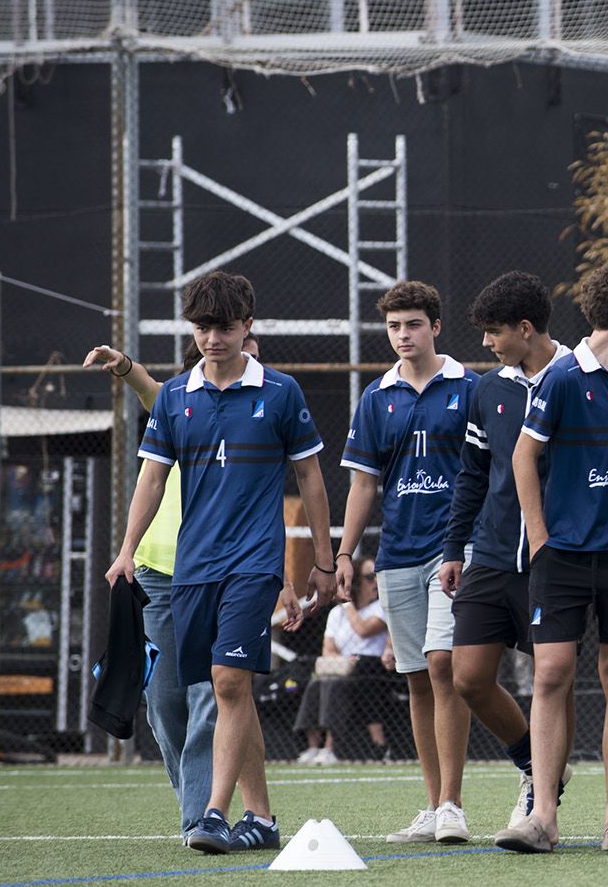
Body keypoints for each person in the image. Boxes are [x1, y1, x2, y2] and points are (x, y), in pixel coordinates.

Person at [105, 270, 336, 855]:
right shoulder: (177, 398)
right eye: (204, 327)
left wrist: (324, 560)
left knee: (229, 682)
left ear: (247, 327)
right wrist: (126, 550)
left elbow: (309, 474)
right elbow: (152, 478)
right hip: (190, 568)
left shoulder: (281, 393)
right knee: (218, 694)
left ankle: (213, 812)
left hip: (253, 565)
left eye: (225, 327)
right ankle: (260, 817)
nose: (213, 338)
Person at [501, 262, 608, 854]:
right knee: (552, 673)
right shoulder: (561, 378)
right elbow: (525, 458)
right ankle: (543, 817)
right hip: (564, 556)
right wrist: (542, 537)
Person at [83, 334, 266, 845]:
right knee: (164, 705)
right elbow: (149, 387)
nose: (247, 354)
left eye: (248, 344)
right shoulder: (178, 404)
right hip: (157, 575)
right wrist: (121, 364)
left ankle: (203, 818)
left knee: (214, 695)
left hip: (219, 570)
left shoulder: (260, 407)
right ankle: (201, 809)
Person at [335, 280, 478, 846]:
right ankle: (433, 802)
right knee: (417, 677)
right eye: (394, 326)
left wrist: (470, 543)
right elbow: (363, 484)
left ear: (435, 327)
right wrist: (345, 554)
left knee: (446, 667)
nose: (402, 335)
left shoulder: (470, 386)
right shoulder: (376, 398)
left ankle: (453, 805)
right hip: (396, 552)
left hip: (455, 552)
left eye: (413, 324)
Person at [438, 271, 573, 845]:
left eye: (495, 333)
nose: (487, 345)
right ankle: (535, 765)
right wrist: (453, 547)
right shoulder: (486, 389)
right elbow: (472, 474)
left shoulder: (578, 376)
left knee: (552, 679)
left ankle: (542, 807)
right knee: (466, 676)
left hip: (558, 556)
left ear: (525, 328)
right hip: (491, 554)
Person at [294, 555, 389, 764]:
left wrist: (347, 605)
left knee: (334, 685)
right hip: (344, 665)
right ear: (355, 581)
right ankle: (312, 747)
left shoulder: (381, 607)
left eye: (377, 577)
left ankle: (330, 748)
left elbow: (364, 630)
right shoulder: (336, 613)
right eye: (369, 577)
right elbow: (328, 649)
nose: (375, 583)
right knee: (317, 682)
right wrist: (344, 661)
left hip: (369, 668)